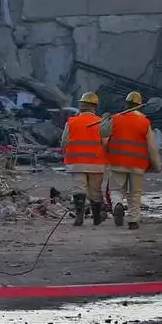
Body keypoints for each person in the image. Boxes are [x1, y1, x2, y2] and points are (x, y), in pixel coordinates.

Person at [100, 91, 162, 230]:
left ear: (126, 104)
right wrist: (156, 165)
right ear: (140, 106)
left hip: (118, 162)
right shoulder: (145, 123)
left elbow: (103, 134)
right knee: (135, 193)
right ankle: (133, 220)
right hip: (138, 164)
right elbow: (151, 147)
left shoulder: (116, 119)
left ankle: (117, 205)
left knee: (116, 190)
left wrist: (105, 119)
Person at [61, 92, 107, 226]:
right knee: (95, 191)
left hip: (76, 162)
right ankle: (97, 217)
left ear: (80, 106)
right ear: (95, 107)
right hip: (96, 162)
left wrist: (66, 154)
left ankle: (79, 217)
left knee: (78, 189)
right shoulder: (101, 122)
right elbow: (106, 143)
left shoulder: (71, 122)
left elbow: (64, 141)